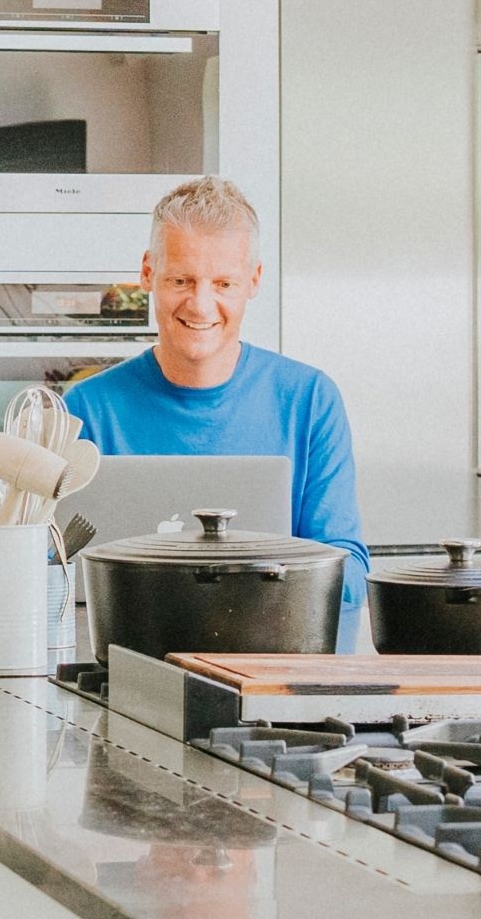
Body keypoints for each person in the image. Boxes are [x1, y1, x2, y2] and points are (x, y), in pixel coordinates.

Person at [63, 177, 371, 648]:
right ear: (148, 273)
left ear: (254, 281)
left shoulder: (310, 400)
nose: (201, 304)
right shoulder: (85, 410)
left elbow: (347, 572)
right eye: (181, 280)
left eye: (223, 283)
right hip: (125, 666)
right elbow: (49, 568)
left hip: (273, 665)